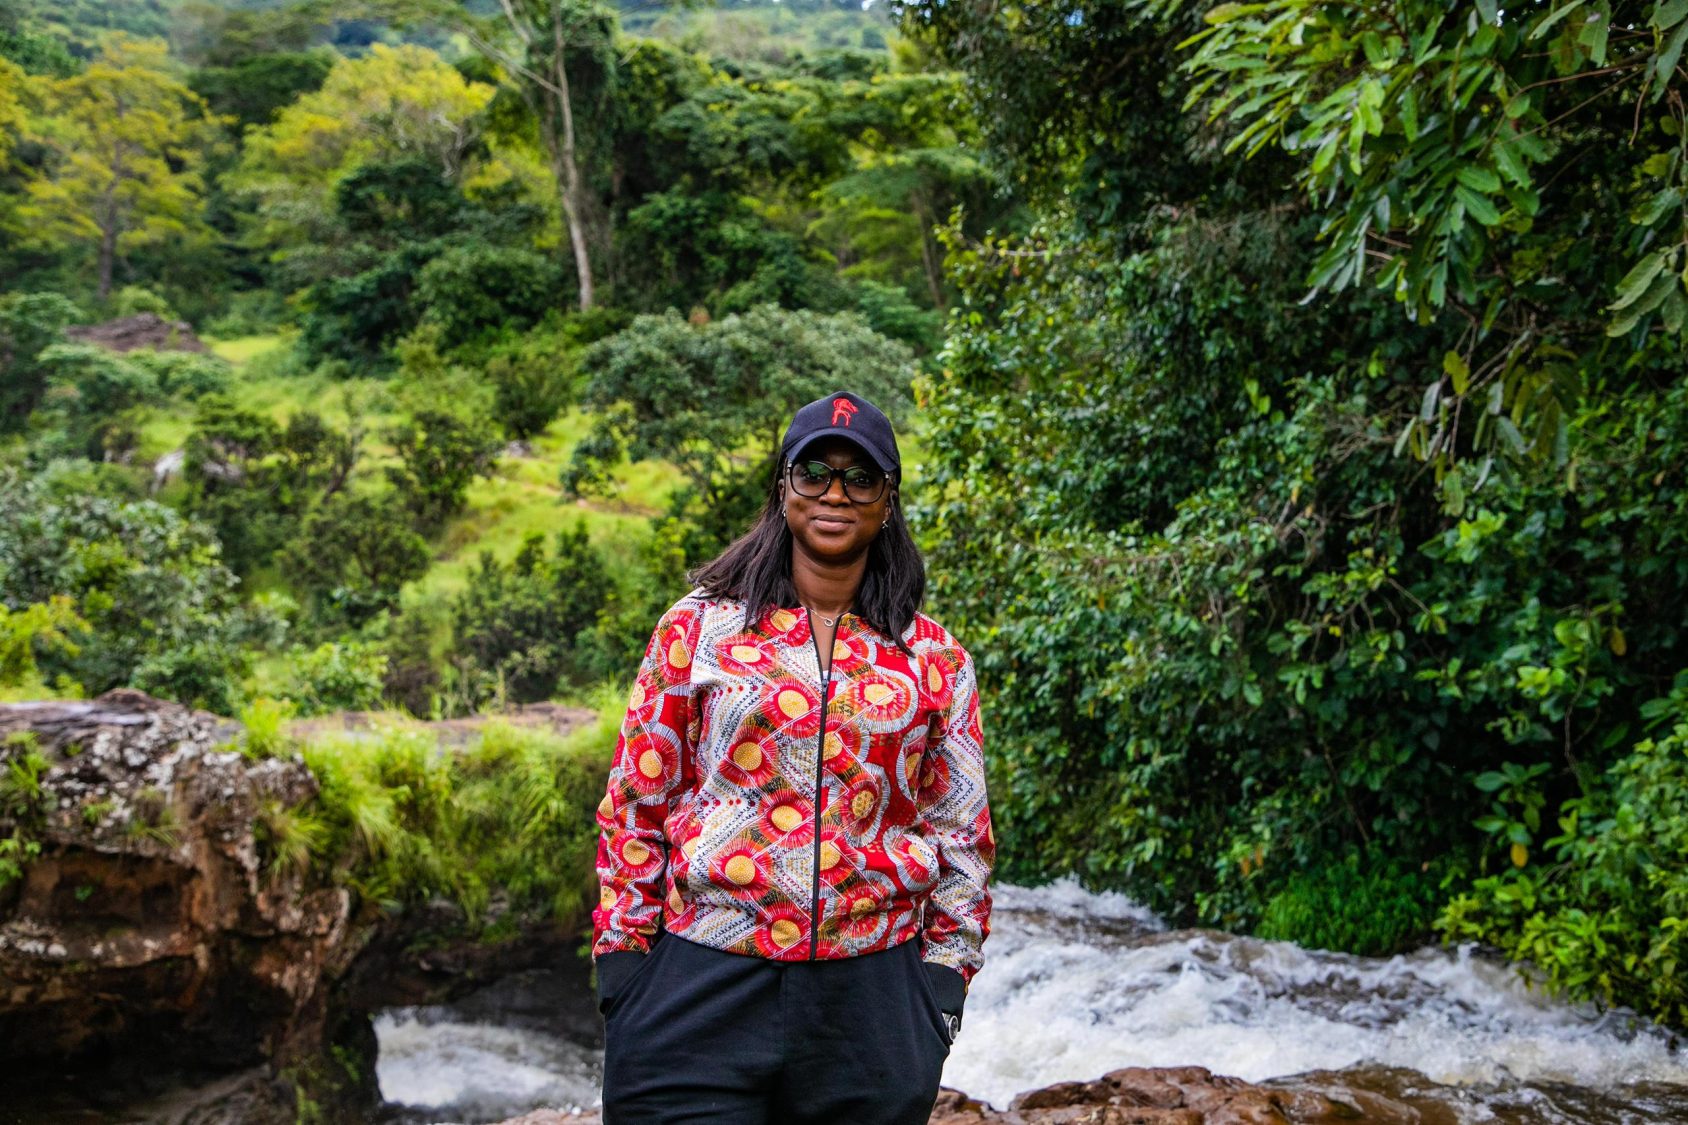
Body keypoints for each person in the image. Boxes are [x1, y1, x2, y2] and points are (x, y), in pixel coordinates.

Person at [591, 390, 994, 1124]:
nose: (835, 493)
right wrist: (623, 964)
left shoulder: (933, 657)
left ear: (887, 500)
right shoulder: (698, 627)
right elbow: (636, 799)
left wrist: (942, 982)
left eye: (860, 477)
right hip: (702, 978)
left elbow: (961, 832)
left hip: (870, 1001)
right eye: (815, 471)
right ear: (783, 487)